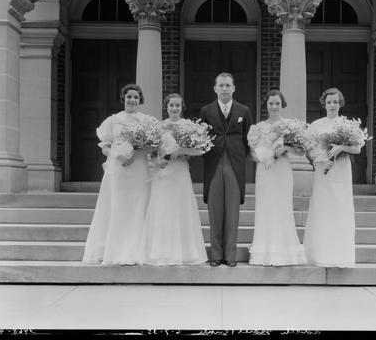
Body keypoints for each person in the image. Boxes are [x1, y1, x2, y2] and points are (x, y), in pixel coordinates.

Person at [82, 84, 155, 265]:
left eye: (136, 97)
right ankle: (115, 250)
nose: (132, 100)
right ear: (123, 98)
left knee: (137, 207)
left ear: (140, 100)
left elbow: (151, 146)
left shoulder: (146, 120)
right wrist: (119, 155)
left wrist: (135, 155)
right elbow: (105, 147)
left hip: (138, 168)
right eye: (129, 97)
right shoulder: (113, 121)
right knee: (118, 207)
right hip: (119, 170)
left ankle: (136, 250)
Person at [136, 94, 207, 265]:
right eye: (171, 105)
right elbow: (151, 150)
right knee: (162, 209)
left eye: (177, 105)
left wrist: (181, 150)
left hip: (180, 172)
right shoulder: (159, 126)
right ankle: (161, 252)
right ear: (166, 107)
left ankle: (185, 252)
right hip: (163, 173)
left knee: (180, 208)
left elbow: (200, 150)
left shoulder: (189, 126)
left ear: (182, 107)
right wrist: (156, 160)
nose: (174, 108)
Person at [303, 87, 364, 268]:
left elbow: (358, 148)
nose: (332, 105)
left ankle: (340, 255)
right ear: (324, 103)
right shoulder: (317, 125)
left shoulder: (347, 125)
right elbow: (310, 149)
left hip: (341, 171)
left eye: (335, 102)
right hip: (324, 171)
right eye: (329, 102)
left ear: (340, 104)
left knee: (340, 208)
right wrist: (321, 159)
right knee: (323, 209)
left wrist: (341, 148)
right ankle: (321, 254)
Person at [247, 90, 307, 266]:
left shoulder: (290, 126)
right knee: (266, 208)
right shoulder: (257, 128)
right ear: (266, 105)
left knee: (282, 208)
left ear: (282, 105)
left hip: (282, 170)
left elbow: (301, 150)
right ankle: (264, 252)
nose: (274, 106)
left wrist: (285, 149)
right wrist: (264, 158)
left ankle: (284, 252)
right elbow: (250, 154)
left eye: (277, 103)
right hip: (265, 170)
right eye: (271, 103)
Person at [199, 72, 253, 267]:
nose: (224, 89)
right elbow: (202, 137)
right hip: (214, 163)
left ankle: (230, 256)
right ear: (215, 88)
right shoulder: (206, 110)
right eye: (221, 85)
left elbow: (249, 139)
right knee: (215, 209)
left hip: (234, 164)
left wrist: (239, 154)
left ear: (233, 88)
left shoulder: (243, 110)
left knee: (232, 211)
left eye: (227, 85)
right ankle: (215, 255)